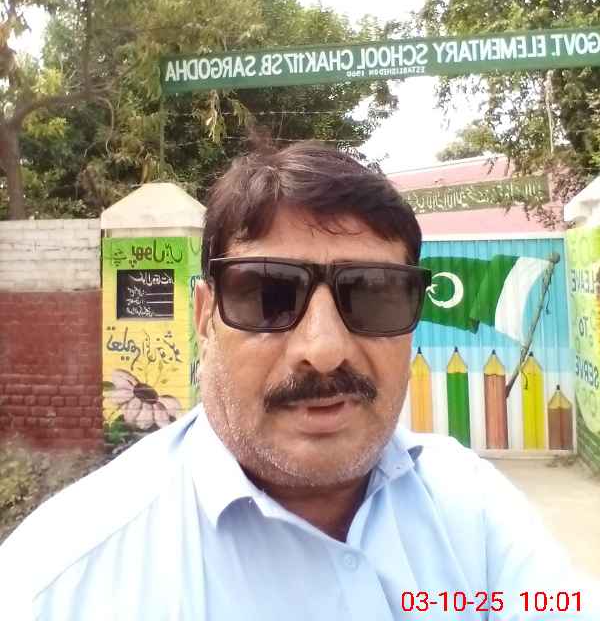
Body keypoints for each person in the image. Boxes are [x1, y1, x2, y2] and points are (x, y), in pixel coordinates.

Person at [0, 141, 598, 621]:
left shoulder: (475, 513)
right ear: (205, 317)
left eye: (373, 294)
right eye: (268, 294)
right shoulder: (60, 580)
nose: (325, 350)